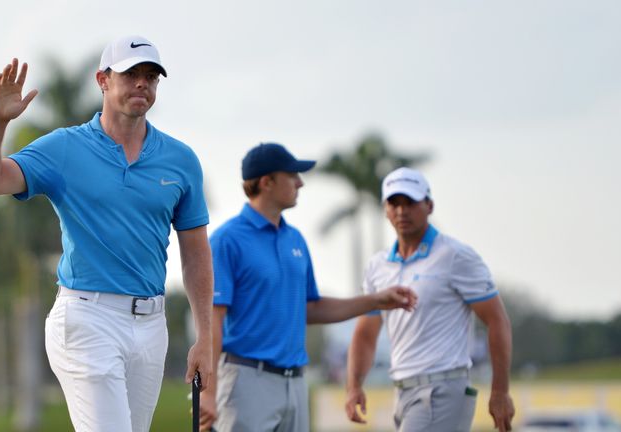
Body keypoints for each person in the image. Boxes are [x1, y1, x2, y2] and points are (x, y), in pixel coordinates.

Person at [0, 35, 213, 432]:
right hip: (87, 318)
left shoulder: (180, 160)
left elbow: (197, 255)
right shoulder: (65, 147)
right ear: (102, 80)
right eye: (131, 74)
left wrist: (205, 336)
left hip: (151, 325)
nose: (142, 84)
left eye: (151, 76)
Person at [199, 143, 418, 432]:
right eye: (292, 176)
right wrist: (208, 392)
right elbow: (213, 320)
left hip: (296, 384)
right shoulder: (227, 240)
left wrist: (376, 300)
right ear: (267, 182)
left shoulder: (295, 240)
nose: (300, 182)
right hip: (246, 381)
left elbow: (310, 308)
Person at [345, 167, 515, 432]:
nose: (402, 211)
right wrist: (354, 386)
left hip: (442, 390)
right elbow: (366, 333)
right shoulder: (377, 266)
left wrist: (500, 391)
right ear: (385, 209)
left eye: (410, 202)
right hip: (402, 392)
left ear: (429, 205)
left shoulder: (455, 256)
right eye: (394, 203)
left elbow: (497, 321)